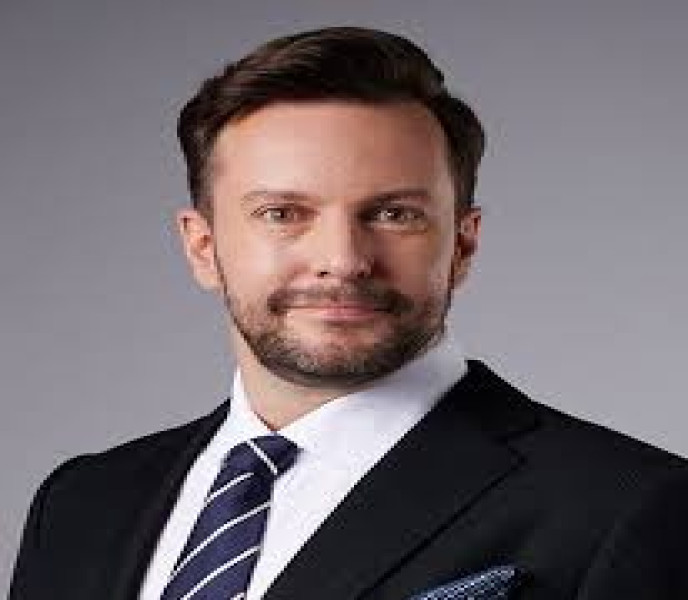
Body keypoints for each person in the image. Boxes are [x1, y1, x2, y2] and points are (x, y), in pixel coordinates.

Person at [9, 27, 688, 600]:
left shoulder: (629, 508)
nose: (342, 259)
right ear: (203, 246)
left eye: (393, 214)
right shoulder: (81, 504)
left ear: (463, 244)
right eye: (282, 213)